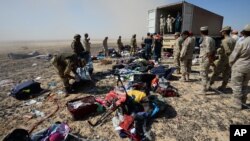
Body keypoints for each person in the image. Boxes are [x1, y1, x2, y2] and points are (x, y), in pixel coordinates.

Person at [229, 24, 250, 109]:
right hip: (249, 68)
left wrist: (231, 64)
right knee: (245, 85)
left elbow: (233, 56)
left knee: (237, 85)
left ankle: (237, 104)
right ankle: (244, 102)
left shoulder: (242, 42)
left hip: (240, 66)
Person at [209, 26, 236, 91]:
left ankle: (209, 85)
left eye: (222, 32)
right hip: (230, 60)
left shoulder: (224, 41)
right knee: (226, 73)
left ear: (224, 32)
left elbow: (227, 51)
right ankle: (223, 86)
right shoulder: (233, 40)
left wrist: (219, 51)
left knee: (216, 72)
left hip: (223, 59)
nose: (221, 33)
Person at [199, 26, 216, 93]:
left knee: (203, 74)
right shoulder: (212, 39)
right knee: (206, 74)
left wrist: (210, 60)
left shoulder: (206, 39)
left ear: (201, 32)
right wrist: (212, 59)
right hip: (208, 59)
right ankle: (207, 87)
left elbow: (208, 51)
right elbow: (214, 51)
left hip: (205, 59)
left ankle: (204, 89)